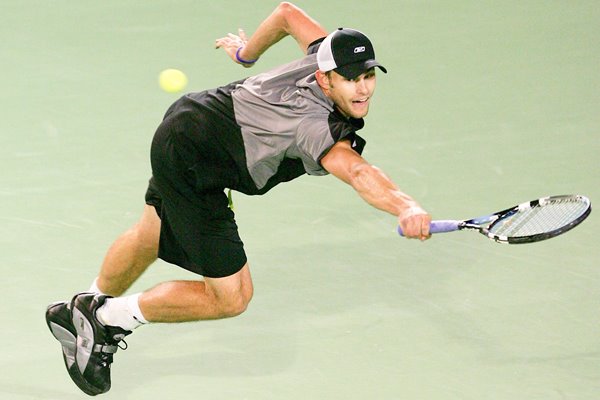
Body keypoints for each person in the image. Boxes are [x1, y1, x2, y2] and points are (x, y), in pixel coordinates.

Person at [45, 2, 431, 396]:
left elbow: (286, 14)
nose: (363, 87)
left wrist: (245, 55)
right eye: (351, 79)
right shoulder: (316, 125)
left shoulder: (321, 52)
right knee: (231, 297)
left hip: (186, 123)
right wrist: (406, 206)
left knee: (151, 233)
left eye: (368, 75)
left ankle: (82, 307)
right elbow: (358, 171)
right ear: (325, 78)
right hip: (199, 163)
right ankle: (107, 317)